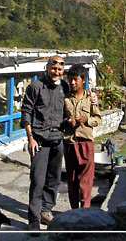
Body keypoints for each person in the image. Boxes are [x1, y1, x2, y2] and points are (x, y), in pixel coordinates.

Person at [20, 56, 68, 231]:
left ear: (63, 71)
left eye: (59, 69)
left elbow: (72, 103)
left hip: (57, 140)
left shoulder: (64, 87)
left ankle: (46, 210)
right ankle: (33, 219)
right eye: (53, 68)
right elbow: (26, 112)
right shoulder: (35, 87)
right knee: (37, 180)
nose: (56, 71)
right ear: (47, 68)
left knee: (54, 179)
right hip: (39, 141)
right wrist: (30, 138)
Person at [62, 64, 101, 209]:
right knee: (72, 181)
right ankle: (74, 211)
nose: (72, 83)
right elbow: (59, 119)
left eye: (75, 80)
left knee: (86, 180)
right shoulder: (65, 99)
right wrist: (68, 121)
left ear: (83, 80)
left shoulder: (90, 99)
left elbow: (98, 118)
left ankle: (86, 212)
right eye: (70, 80)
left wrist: (87, 120)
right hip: (70, 144)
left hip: (86, 144)